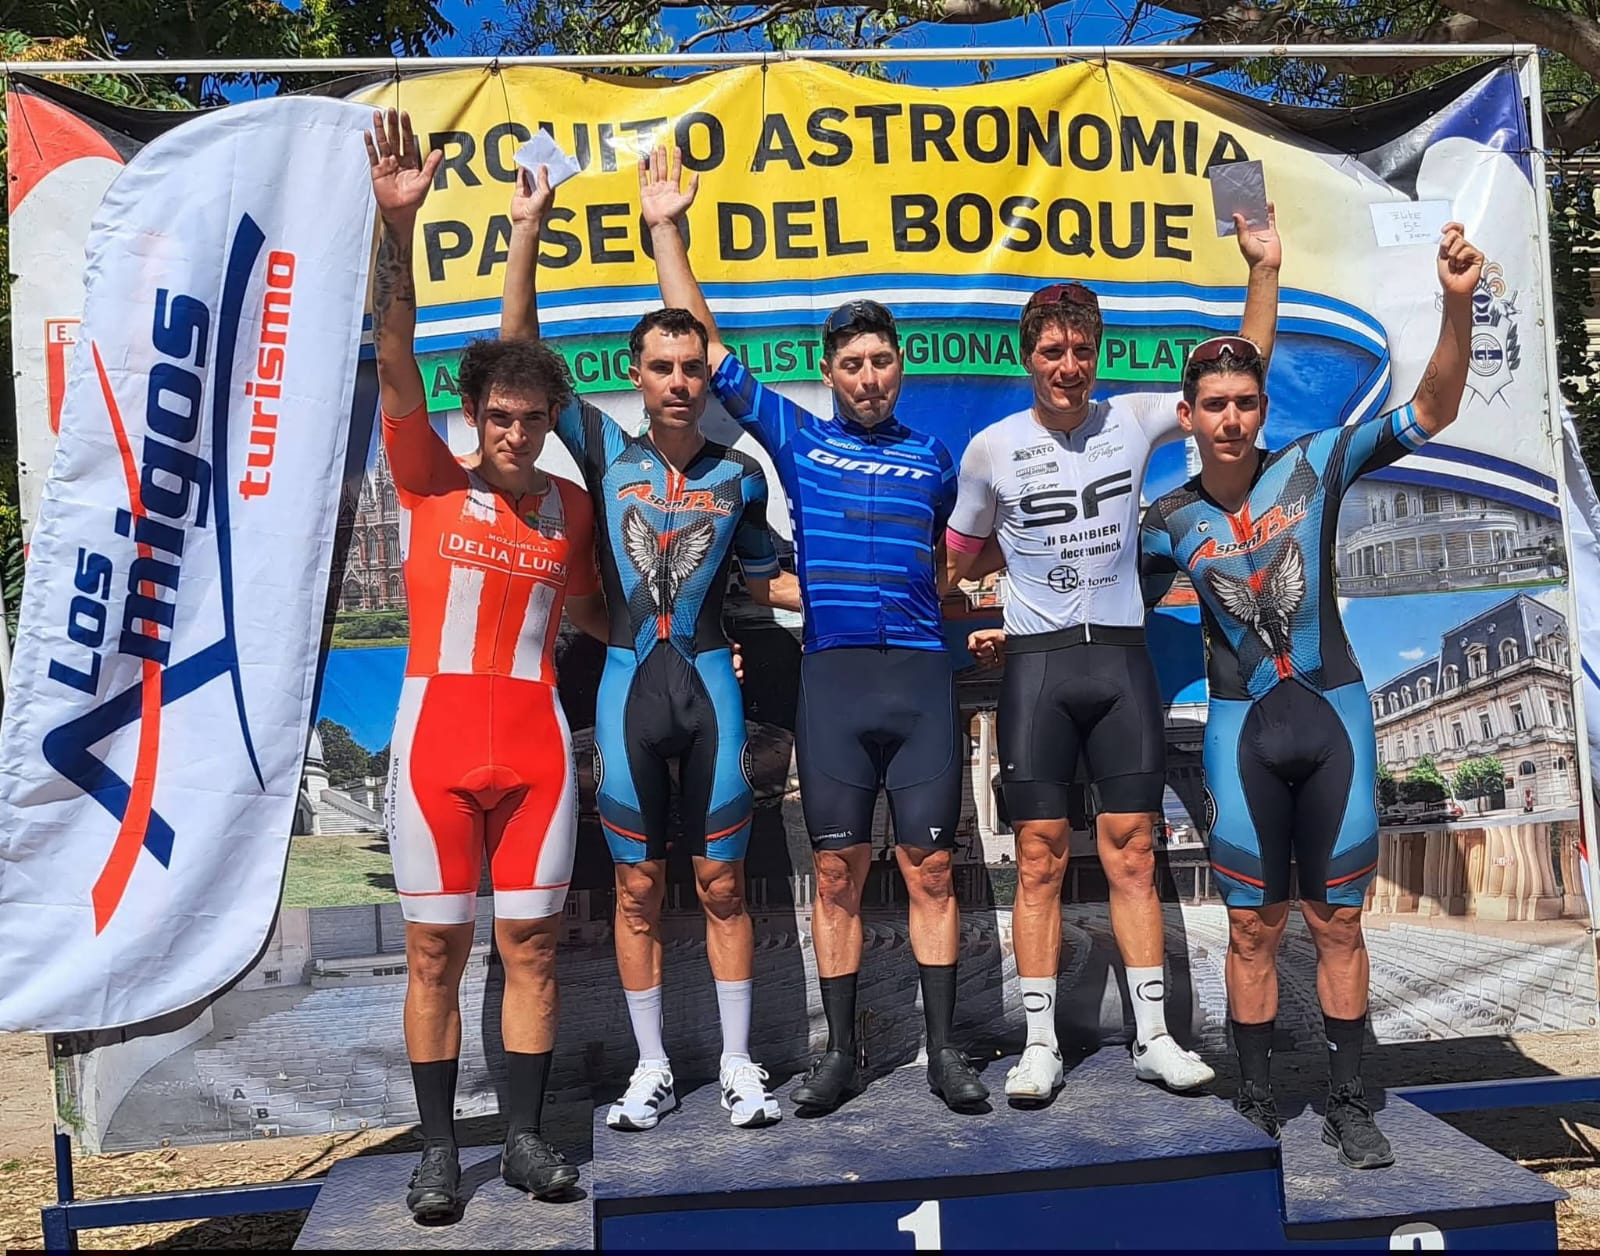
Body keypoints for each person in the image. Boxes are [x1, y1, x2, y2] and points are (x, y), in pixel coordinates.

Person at [643, 145, 990, 1114]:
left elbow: (944, 565)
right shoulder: (800, 440)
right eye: (852, 364)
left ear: (899, 365)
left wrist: (954, 610)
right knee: (835, 870)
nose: (868, 376)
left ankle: (945, 1051)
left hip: (918, 682)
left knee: (931, 867)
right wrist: (667, 230)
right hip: (833, 681)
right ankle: (841, 1054)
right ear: (829, 372)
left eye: (881, 361)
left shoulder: (936, 459)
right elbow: (712, 355)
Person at [1139, 224, 1486, 1167]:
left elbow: (1433, 407)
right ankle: (1254, 1101)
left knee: (1338, 922)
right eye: (1214, 405)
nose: (1231, 419)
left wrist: (1456, 303)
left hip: (1334, 718)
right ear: (1187, 416)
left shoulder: (1318, 463)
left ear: (1262, 409)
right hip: (1240, 730)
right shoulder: (1166, 523)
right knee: (1252, 927)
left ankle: (1347, 1102)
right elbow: (1095, 604)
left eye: (1245, 402)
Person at [945, 212, 1283, 1102]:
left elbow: (1237, 372)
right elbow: (956, 561)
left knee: (1134, 854)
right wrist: (971, 602)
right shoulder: (991, 449)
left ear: (1098, 353)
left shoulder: (1134, 417)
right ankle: (1040, 1044)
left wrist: (1263, 270)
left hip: (1122, 664)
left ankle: (1155, 1037)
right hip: (1038, 670)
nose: (1068, 366)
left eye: (1081, 350)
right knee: (1039, 856)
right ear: (1028, 357)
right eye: (1052, 351)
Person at [500, 156, 801, 1135]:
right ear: (635, 375)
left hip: (712, 689)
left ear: (706, 374)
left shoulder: (739, 476)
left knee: (721, 883)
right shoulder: (602, 450)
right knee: (636, 886)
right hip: (626, 688)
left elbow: (768, 582)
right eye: (661, 367)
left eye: (691, 366)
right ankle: (653, 1067)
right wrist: (527, 230)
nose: (678, 380)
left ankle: (741, 1064)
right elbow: (520, 358)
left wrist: (887, 599)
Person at [365, 109, 600, 1218]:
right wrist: (396, 226)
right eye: (498, 416)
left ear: (548, 419)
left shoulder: (572, 509)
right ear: (474, 417)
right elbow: (395, 351)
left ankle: (523, 1141)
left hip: (539, 750)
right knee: (433, 953)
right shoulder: (429, 477)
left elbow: (600, 613)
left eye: (530, 417)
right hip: (436, 745)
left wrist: (526, 235)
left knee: (534, 948)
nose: (514, 430)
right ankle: (436, 1151)